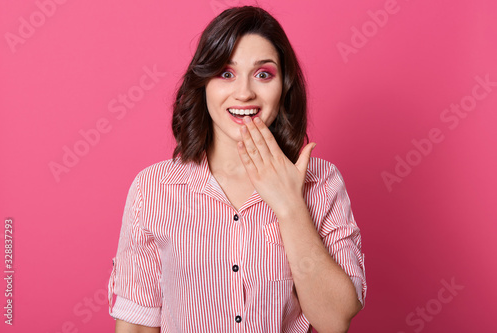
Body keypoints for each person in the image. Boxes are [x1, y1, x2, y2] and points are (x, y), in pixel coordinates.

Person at [108, 5, 367, 333]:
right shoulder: (154, 189)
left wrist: (289, 206)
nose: (244, 93)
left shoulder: (321, 182)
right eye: (226, 73)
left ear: (284, 86)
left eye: (263, 74)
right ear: (203, 84)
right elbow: (138, 324)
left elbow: (334, 320)